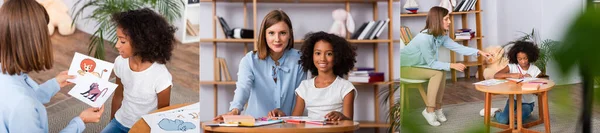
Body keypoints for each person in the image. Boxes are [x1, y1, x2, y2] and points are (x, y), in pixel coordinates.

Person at [0, 0, 103, 132]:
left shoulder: (8, 77)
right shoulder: (23, 107)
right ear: (34, 41)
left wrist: (54, 84)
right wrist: (80, 121)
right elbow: (24, 102)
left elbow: (26, 95)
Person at [400, 6, 492, 126]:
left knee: (441, 70)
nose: (449, 22)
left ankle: (437, 108)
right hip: (404, 68)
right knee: (438, 71)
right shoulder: (424, 38)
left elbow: (458, 47)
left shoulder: (440, 36)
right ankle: (430, 109)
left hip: (418, 66)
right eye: (446, 19)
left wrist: (479, 52)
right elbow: (432, 63)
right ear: (437, 20)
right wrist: (452, 64)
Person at [214, 10, 307, 120]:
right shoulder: (250, 60)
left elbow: (300, 98)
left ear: (290, 34)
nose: (277, 39)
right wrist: (234, 110)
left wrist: (291, 122)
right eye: (271, 33)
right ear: (264, 35)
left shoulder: (300, 60)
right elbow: (243, 88)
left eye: (282, 33)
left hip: (288, 126)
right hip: (255, 125)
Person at [103, 8, 176, 133]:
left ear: (141, 42)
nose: (117, 45)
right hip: (120, 121)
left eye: (122, 41)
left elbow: (163, 114)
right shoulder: (120, 62)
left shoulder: (161, 76)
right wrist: (111, 122)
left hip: (145, 128)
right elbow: (118, 96)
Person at [291, 31, 357, 120]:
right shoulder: (304, 87)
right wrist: (283, 116)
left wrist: (342, 117)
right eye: (318, 53)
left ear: (337, 56)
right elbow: (294, 121)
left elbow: (350, 125)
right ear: (311, 55)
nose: (322, 58)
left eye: (329, 54)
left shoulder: (345, 87)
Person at [479, 41, 541, 124]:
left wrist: (531, 80)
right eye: (520, 59)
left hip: (527, 103)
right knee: (503, 120)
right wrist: (512, 75)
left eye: (525, 58)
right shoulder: (512, 67)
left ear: (530, 56)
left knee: (516, 120)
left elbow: (539, 92)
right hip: (513, 100)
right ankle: (495, 112)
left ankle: (525, 112)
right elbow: (496, 75)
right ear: (516, 58)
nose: (523, 61)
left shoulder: (535, 70)